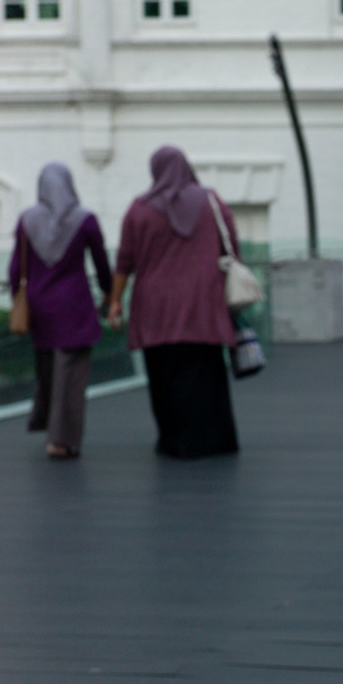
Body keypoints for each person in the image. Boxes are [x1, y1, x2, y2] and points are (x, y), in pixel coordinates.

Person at [107, 146, 240, 458]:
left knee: (163, 374)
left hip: (155, 307)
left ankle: (174, 441)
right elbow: (232, 248)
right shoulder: (212, 202)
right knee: (207, 373)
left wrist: (115, 301)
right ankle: (215, 440)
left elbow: (125, 260)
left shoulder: (139, 209)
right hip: (203, 303)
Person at [8, 162, 112, 459]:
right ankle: (61, 439)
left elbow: (15, 268)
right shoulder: (85, 220)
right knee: (72, 374)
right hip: (75, 306)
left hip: (39, 307)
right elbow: (101, 263)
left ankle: (45, 423)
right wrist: (109, 292)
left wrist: (18, 299)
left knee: (48, 371)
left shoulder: (27, 221)